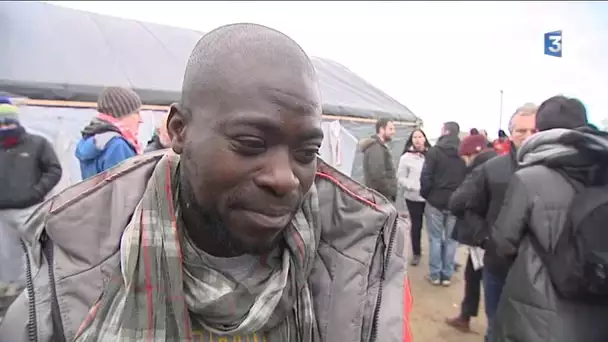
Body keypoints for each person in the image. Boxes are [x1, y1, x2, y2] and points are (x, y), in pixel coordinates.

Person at [0, 23, 411, 342]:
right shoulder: (71, 269)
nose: (286, 179)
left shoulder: (362, 258)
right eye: (251, 143)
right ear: (179, 130)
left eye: (306, 153)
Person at [492, 96, 608, 342]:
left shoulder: (529, 178)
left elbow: (503, 242)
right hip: (599, 307)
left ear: (541, 130)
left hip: (536, 308)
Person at [438, 103, 536, 340]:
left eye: (533, 130)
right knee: (497, 326)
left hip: (540, 271)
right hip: (499, 265)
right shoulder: (493, 169)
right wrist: (485, 238)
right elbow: (463, 204)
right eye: (520, 131)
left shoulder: (559, 169)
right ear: (511, 134)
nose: (527, 137)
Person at [0, 97, 62, 317]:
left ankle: (38, 295)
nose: (5, 129)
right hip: (2, 214)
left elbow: (54, 170)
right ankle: (10, 300)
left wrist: (37, 192)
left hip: (31, 210)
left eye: (8, 123)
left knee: (36, 252)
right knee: (7, 257)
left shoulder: (37, 144)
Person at [445, 133, 498, 332]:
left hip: (482, 237)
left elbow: (457, 201)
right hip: (493, 235)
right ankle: (466, 316)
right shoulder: (502, 164)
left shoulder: (481, 170)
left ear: (471, 154)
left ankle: (486, 325)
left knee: (484, 280)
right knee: (474, 275)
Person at [420, 121, 466, 286]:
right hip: (456, 202)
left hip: (436, 201)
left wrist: (427, 195)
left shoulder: (434, 152)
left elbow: (425, 177)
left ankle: (435, 274)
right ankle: (447, 275)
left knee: (435, 238)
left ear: (445, 131)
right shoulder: (463, 153)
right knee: (451, 240)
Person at [75, 87, 143, 180]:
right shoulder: (117, 145)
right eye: (137, 113)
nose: (141, 120)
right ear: (122, 113)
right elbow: (125, 188)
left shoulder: (89, 139)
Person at [397, 128, 431, 266]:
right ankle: (416, 253)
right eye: (415, 137)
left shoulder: (432, 155)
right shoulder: (406, 158)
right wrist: (412, 185)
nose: (417, 139)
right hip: (413, 197)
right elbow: (400, 177)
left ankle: (441, 257)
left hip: (429, 197)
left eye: (420, 136)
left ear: (424, 138)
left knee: (434, 228)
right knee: (416, 226)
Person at [360, 118, 398, 201]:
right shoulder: (375, 148)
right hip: (380, 197)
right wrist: (389, 191)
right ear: (381, 130)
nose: (393, 132)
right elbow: (377, 175)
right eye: (390, 129)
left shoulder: (380, 147)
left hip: (380, 196)